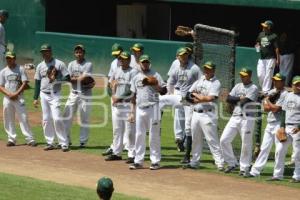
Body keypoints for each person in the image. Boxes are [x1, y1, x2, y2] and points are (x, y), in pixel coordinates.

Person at [159, 47, 202, 164]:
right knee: (160, 100)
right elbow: (170, 82)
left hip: (189, 100)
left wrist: (195, 95)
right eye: (182, 55)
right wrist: (171, 94)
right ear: (177, 56)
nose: (184, 57)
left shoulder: (194, 68)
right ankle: (154, 123)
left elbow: (202, 82)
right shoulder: (175, 66)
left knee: (188, 127)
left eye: (186, 55)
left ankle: (187, 155)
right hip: (178, 96)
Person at [245, 73, 288, 178]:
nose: (275, 82)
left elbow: (275, 109)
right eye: (274, 80)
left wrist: (268, 100)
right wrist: (269, 103)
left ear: (282, 82)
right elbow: (266, 108)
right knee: (264, 148)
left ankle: (277, 175)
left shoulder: (285, 94)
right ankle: (255, 171)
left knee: (279, 150)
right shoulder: (272, 91)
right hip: (270, 123)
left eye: (277, 80)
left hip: (279, 124)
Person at [184, 61, 224, 171]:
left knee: (212, 140)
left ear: (213, 70)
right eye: (205, 69)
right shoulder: (200, 80)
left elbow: (209, 98)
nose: (207, 71)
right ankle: (194, 162)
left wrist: (196, 95)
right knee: (196, 139)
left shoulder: (216, 83)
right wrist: (197, 97)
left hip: (208, 114)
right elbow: (188, 94)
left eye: (209, 69)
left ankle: (219, 163)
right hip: (196, 113)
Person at [129, 54, 166, 170]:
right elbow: (133, 96)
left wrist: (156, 86)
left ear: (149, 63)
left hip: (153, 108)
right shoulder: (135, 77)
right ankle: (138, 161)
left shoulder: (156, 75)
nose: (145, 64)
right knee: (139, 135)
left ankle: (155, 161)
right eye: (143, 62)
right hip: (140, 109)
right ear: (139, 63)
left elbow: (164, 91)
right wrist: (132, 112)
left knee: (153, 136)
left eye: (146, 62)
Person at [220, 68, 259, 175]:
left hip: (247, 119)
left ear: (250, 76)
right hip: (235, 117)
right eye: (241, 75)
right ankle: (232, 163)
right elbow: (228, 99)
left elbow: (244, 103)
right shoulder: (238, 86)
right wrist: (239, 98)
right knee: (224, 140)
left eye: (244, 75)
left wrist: (236, 98)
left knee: (246, 144)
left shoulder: (253, 88)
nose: (242, 77)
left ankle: (244, 167)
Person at [33, 44, 70, 152]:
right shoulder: (40, 66)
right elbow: (37, 82)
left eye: (46, 51)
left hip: (55, 94)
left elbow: (67, 77)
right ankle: (50, 142)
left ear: (51, 52)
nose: (44, 53)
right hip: (43, 94)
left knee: (57, 118)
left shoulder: (59, 64)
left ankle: (64, 143)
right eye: (43, 52)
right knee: (46, 119)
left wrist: (57, 79)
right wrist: (35, 98)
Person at [105, 51, 138, 163]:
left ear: (129, 60)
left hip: (128, 104)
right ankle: (116, 152)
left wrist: (118, 98)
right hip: (117, 105)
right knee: (117, 130)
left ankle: (132, 154)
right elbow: (109, 85)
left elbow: (131, 89)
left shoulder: (133, 72)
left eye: (124, 59)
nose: (122, 61)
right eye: (120, 59)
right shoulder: (116, 70)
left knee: (130, 131)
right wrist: (112, 95)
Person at [0, 51, 36, 147]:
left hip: (19, 98)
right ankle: (11, 139)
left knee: (23, 118)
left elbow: (24, 83)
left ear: (14, 59)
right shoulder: (3, 71)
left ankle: (30, 139)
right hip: (8, 98)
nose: (9, 60)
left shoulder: (20, 69)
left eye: (11, 58)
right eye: (7, 58)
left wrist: (16, 93)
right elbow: (1, 86)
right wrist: (9, 94)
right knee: (8, 118)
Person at [269, 76, 300, 183]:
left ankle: (297, 176)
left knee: (297, 153)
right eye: (296, 84)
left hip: (298, 128)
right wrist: (282, 126)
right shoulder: (288, 95)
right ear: (292, 85)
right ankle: (277, 175)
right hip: (287, 127)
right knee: (279, 150)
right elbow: (283, 112)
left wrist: (299, 127)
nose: (298, 86)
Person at [63, 44, 93, 148]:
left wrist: (75, 78)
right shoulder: (71, 64)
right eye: (77, 52)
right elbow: (68, 78)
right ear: (74, 53)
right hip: (73, 93)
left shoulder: (88, 64)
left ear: (84, 53)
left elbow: (83, 78)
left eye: (80, 52)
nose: (78, 54)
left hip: (85, 94)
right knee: (67, 117)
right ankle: (66, 140)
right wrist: (78, 78)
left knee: (84, 119)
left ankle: (83, 142)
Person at [167, 43, 194, 152]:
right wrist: (171, 91)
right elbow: (170, 77)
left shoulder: (192, 65)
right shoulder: (175, 63)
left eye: (187, 52)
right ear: (178, 55)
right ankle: (179, 138)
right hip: (178, 91)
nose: (185, 55)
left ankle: (185, 140)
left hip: (188, 93)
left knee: (188, 117)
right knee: (179, 114)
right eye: (183, 53)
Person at [102, 43, 124, 156]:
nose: (117, 57)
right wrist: (111, 95)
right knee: (116, 126)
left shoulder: (132, 63)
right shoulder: (113, 63)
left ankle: (129, 151)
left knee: (128, 127)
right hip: (115, 98)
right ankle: (115, 148)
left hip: (127, 99)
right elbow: (110, 81)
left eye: (118, 54)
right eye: (115, 55)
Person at [255, 20, 280, 93]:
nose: (263, 27)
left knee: (268, 75)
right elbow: (257, 42)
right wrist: (257, 46)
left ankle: (266, 91)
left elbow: (276, 48)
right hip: (262, 58)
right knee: (260, 75)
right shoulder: (261, 34)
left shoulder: (274, 36)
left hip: (271, 58)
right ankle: (263, 88)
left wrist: (278, 59)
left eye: (265, 26)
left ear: (269, 27)